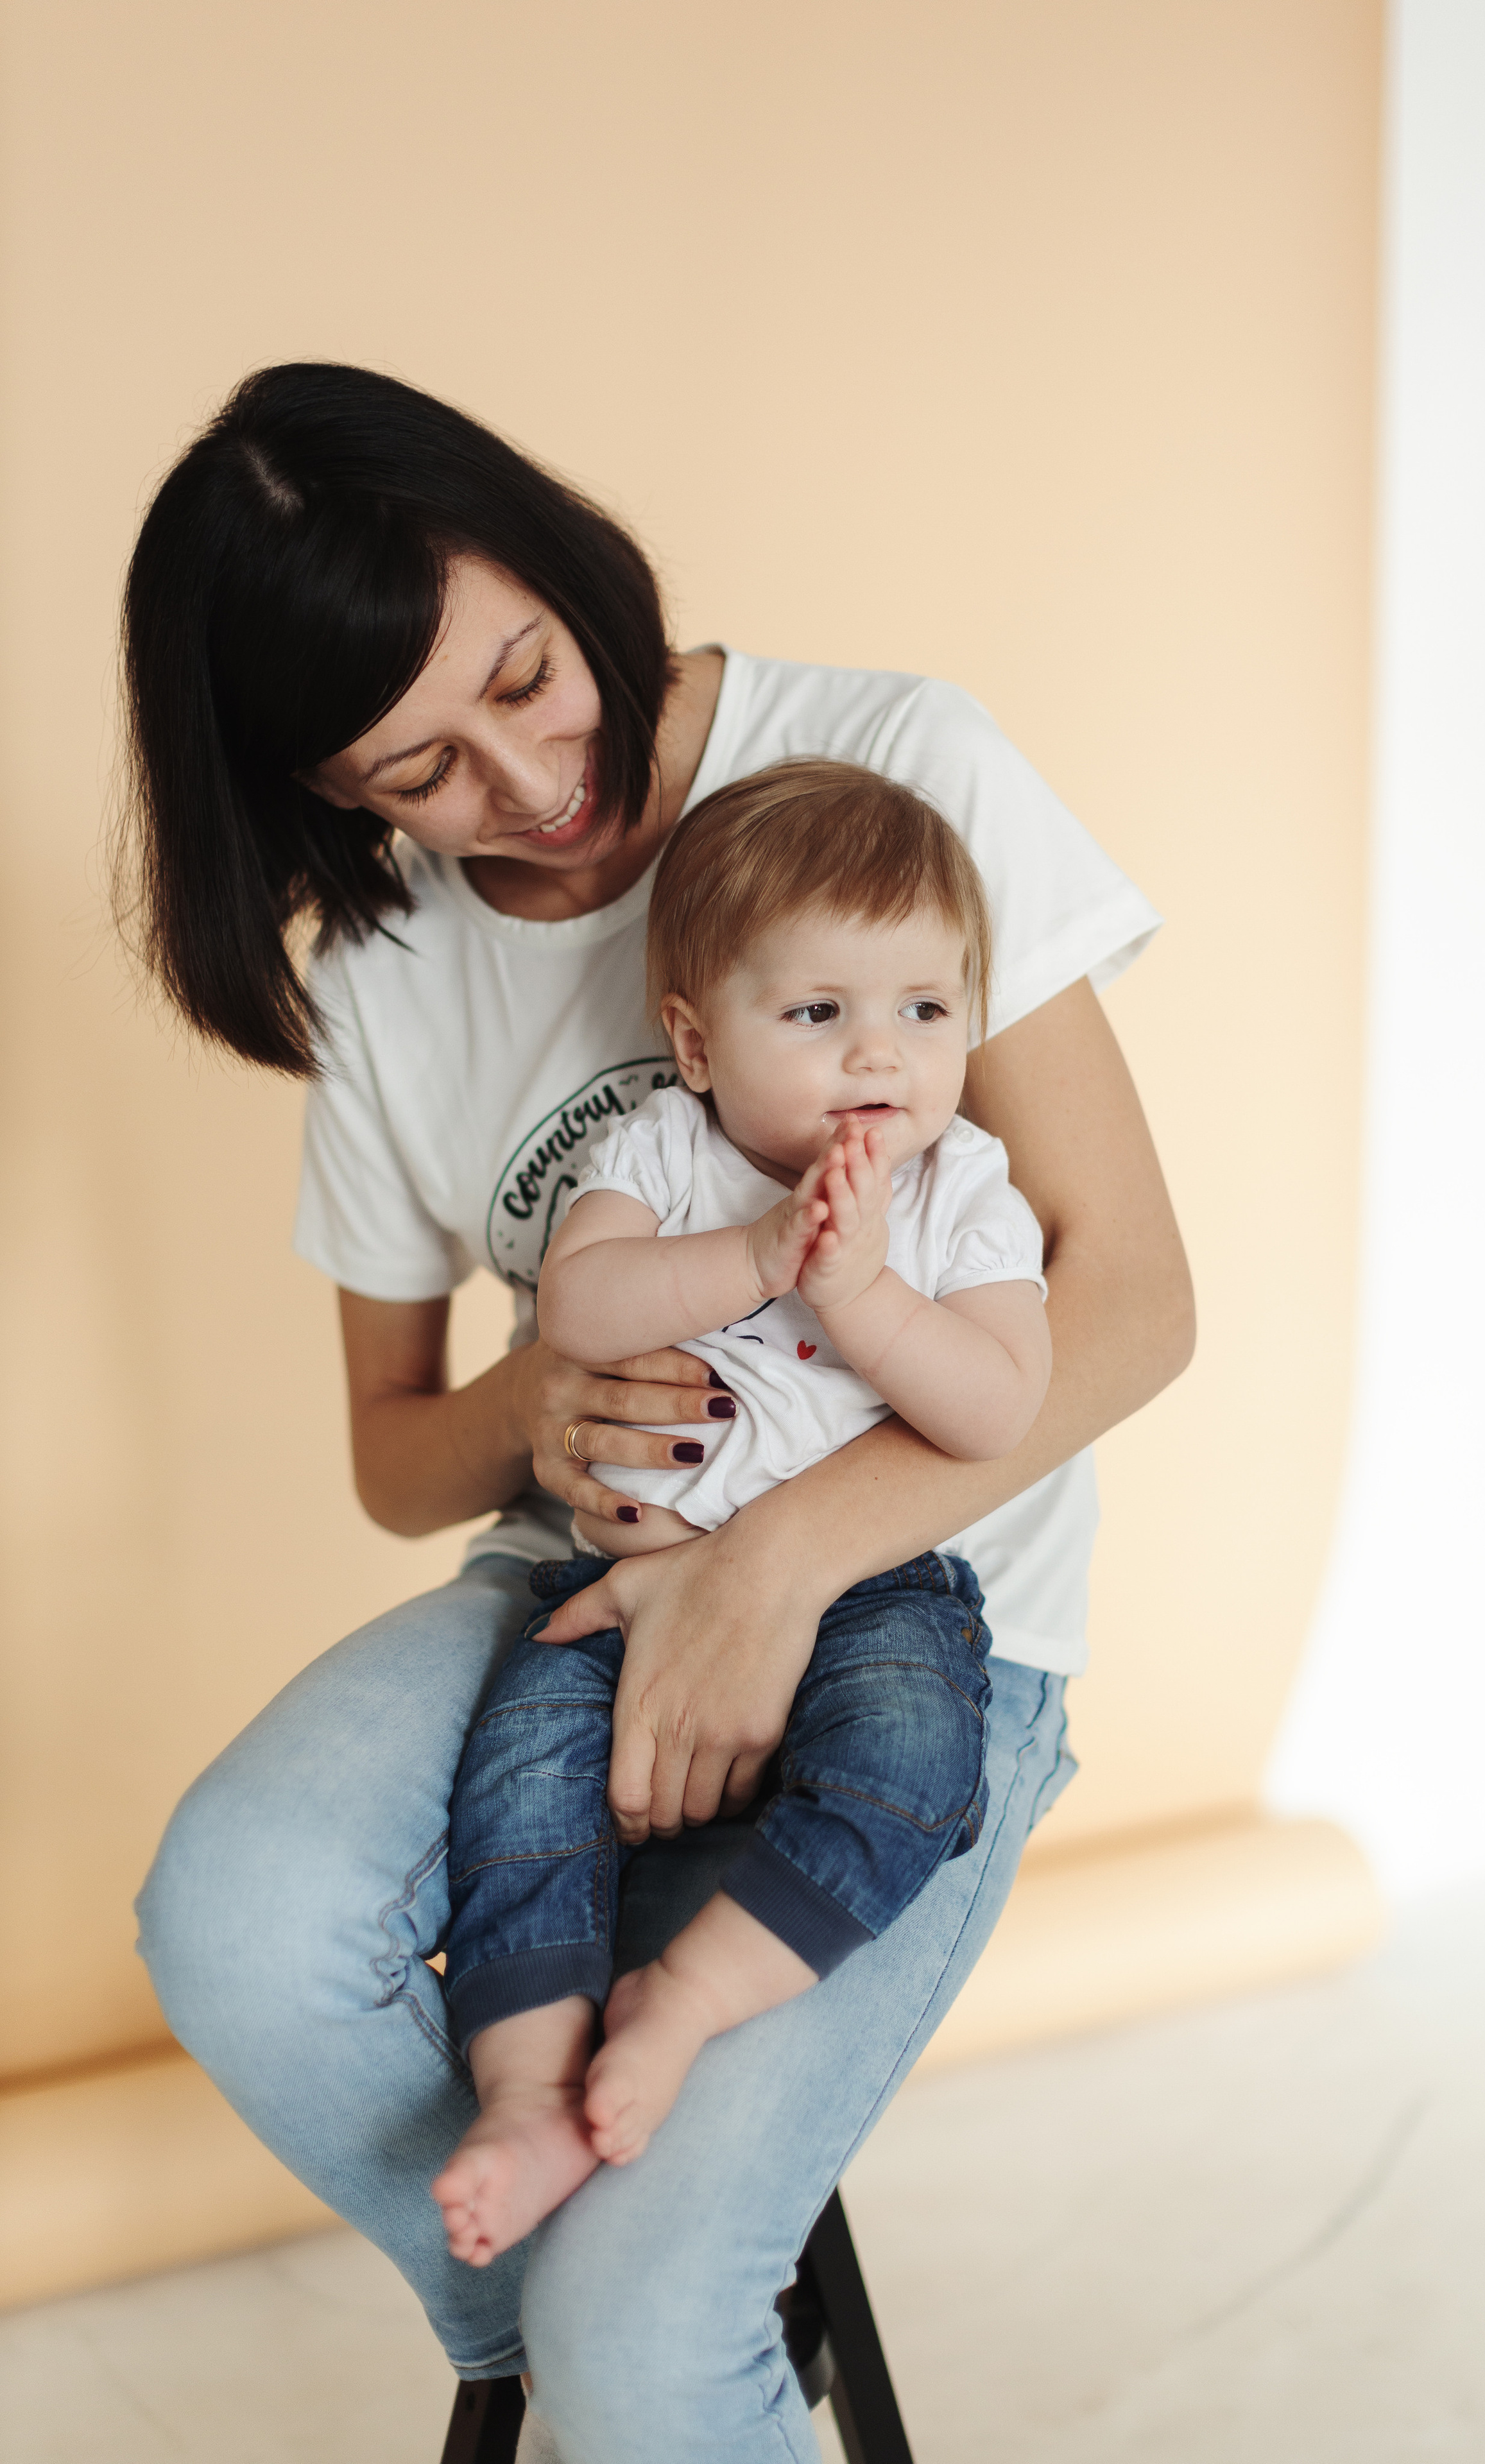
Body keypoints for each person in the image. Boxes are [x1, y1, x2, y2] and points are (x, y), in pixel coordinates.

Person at [124, 361, 1194, 2464]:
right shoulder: (387, 981)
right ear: (331, 796)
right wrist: (551, 1391)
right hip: (578, 1580)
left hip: (927, 1608)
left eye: (524, 672)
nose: (528, 778)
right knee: (237, 1912)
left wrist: (781, 1565)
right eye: (414, 765)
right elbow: (392, 1452)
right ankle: (588, 2300)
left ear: (553, 553)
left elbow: (1137, 1305)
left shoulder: (892, 756)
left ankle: (630, 2325)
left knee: (648, 2318)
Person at [433, 761, 1052, 2269]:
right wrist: (765, 1252)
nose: (879, 1059)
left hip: (870, 1593)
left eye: (924, 1009)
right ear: (697, 1044)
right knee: (518, 1787)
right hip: (618, 1590)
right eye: (818, 1013)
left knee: (911, 1770)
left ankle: (688, 1999)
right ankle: (524, 2094)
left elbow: (994, 1408)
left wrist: (862, 1292)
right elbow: (577, 1303)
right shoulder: (656, 1149)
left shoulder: (960, 1188)